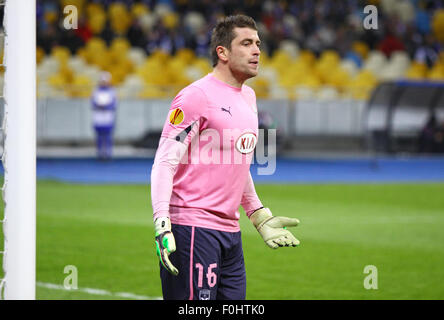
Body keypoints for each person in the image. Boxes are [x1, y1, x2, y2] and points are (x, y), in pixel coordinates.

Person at [150, 14, 300, 300]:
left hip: (231, 234)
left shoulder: (249, 99)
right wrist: (161, 222)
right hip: (193, 229)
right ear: (223, 52)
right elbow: (165, 162)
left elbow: (237, 164)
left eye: (258, 43)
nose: (257, 50)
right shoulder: (195, 97)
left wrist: (258, 215)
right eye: (246, 43)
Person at [91, 72, 117, 160]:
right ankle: (100, 153)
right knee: (99, 136)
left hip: (107, 117)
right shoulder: (96, 91)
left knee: (108, 136)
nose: (103, 83)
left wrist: (106, 106)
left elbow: (114, 104)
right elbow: (92, 103)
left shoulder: (112, 91)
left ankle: (108, 153)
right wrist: (99, 106)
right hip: (98, 117)